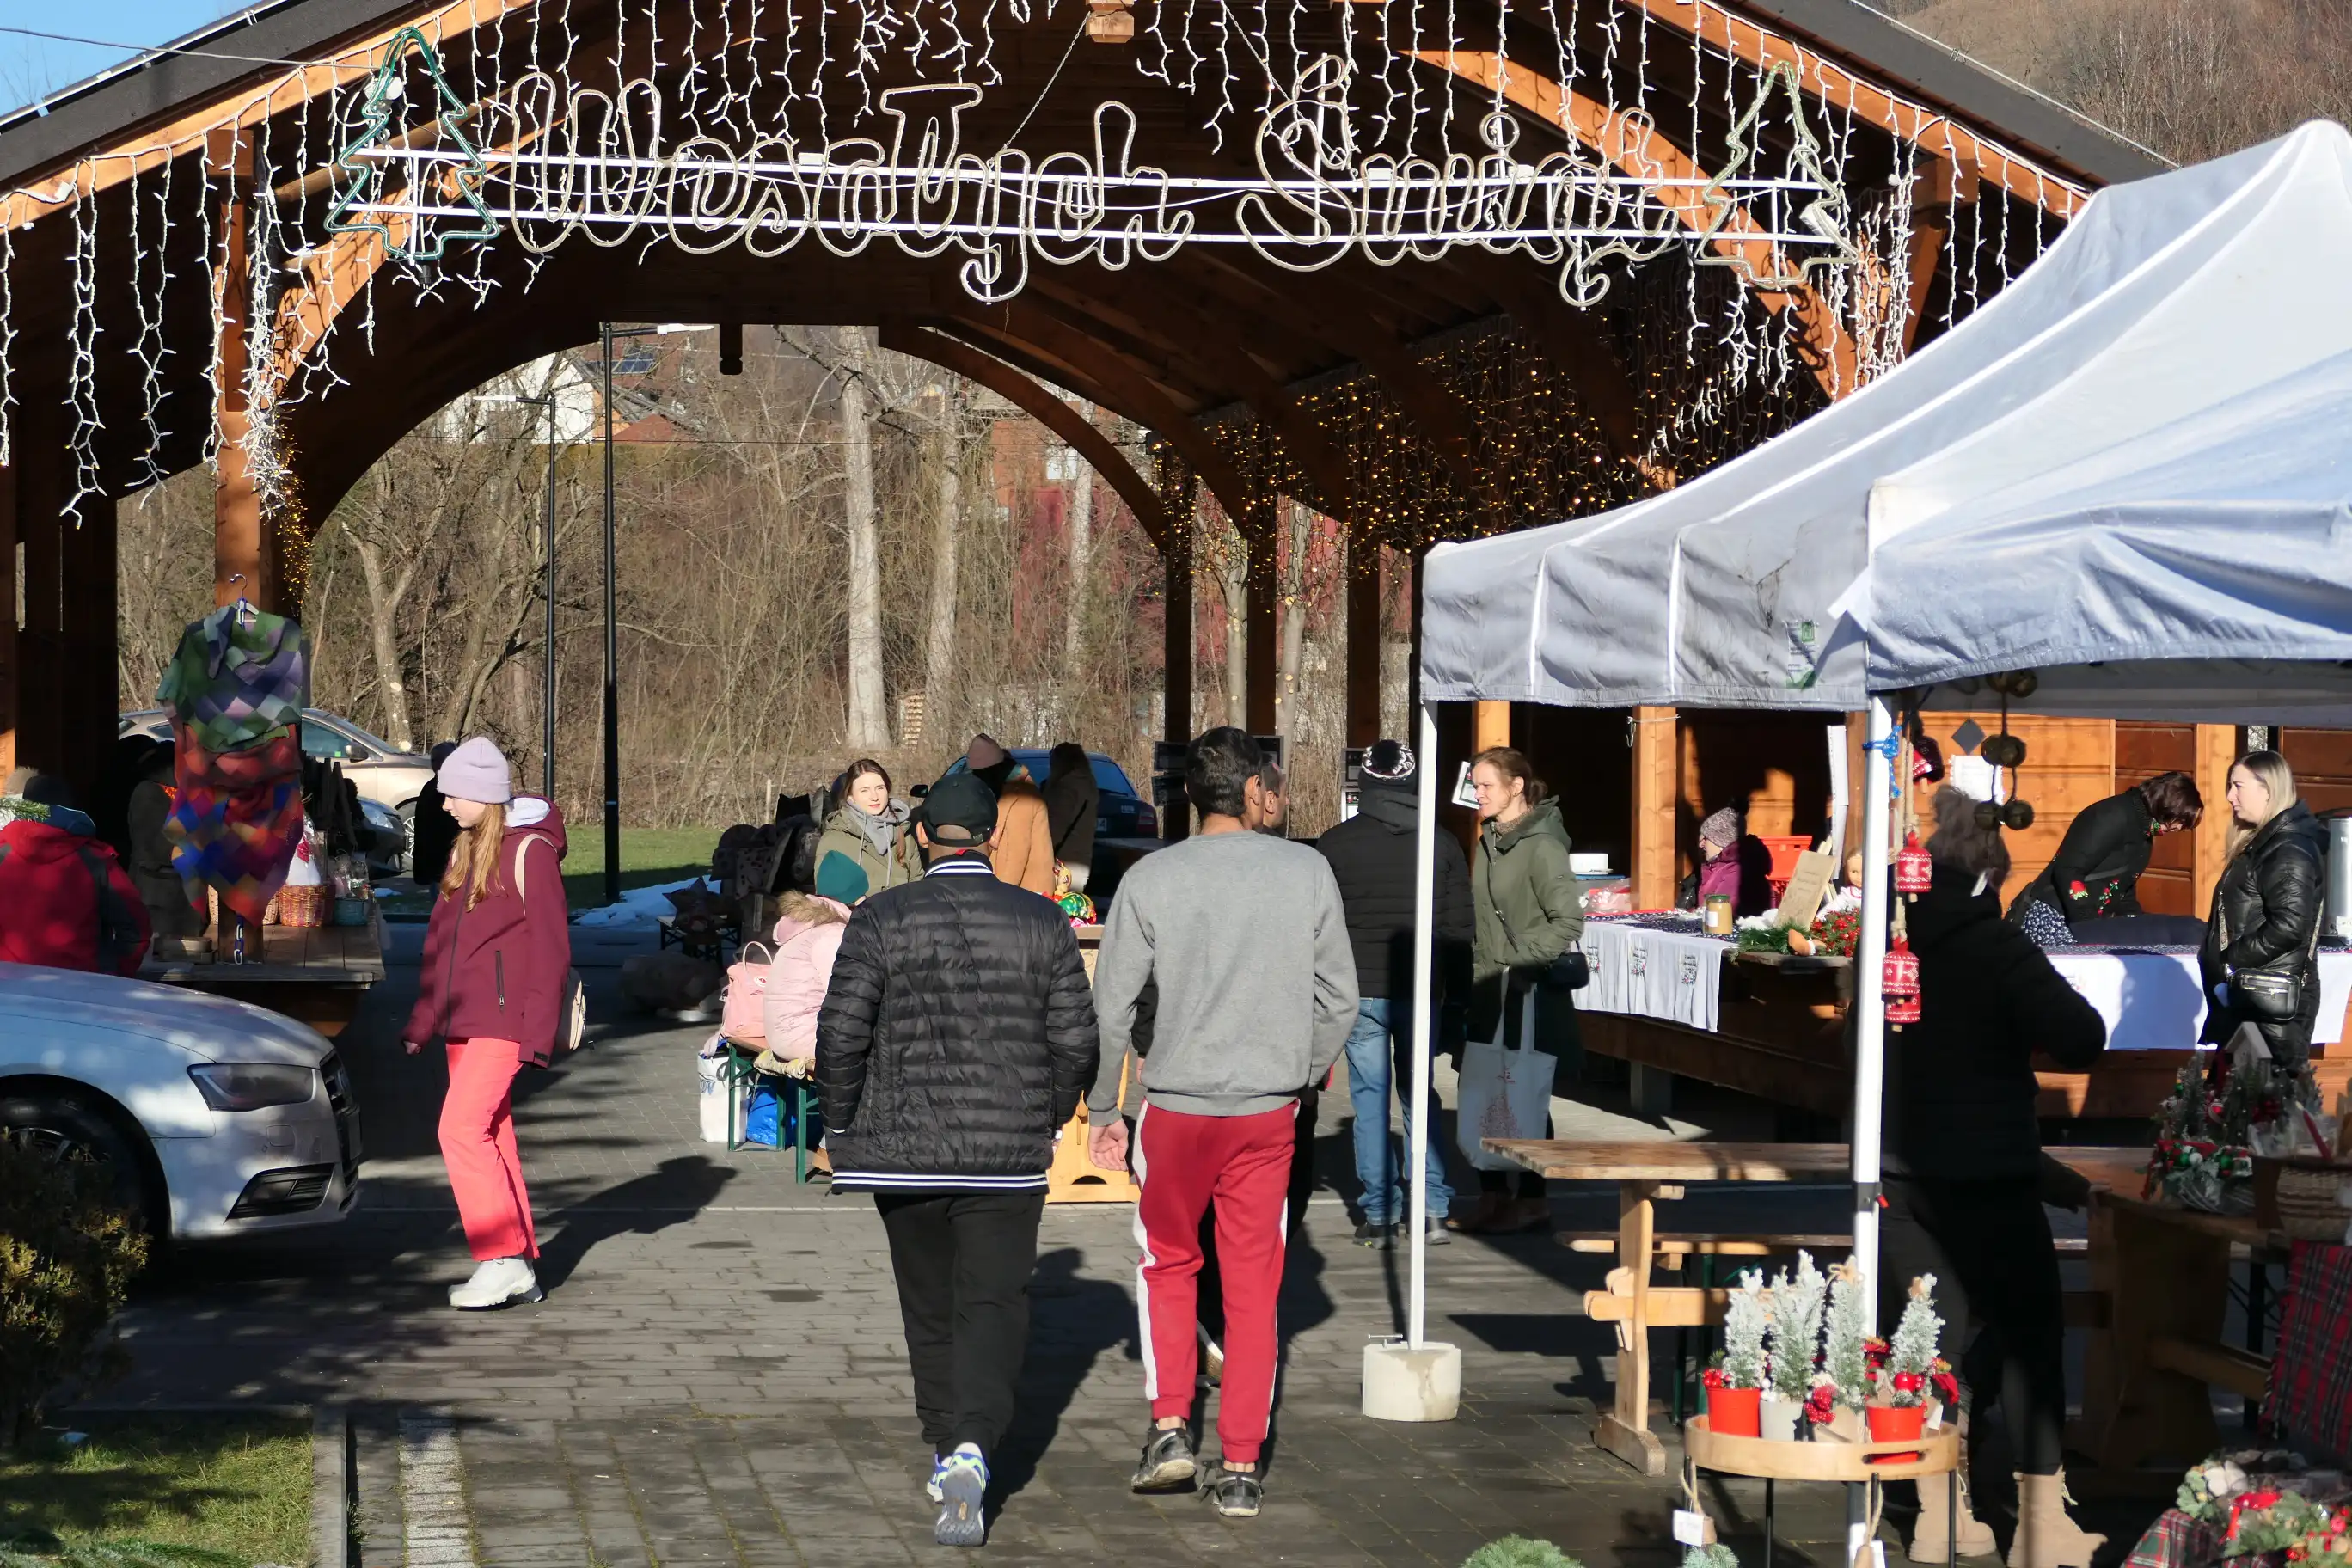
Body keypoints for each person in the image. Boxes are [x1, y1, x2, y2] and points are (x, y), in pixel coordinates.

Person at [816, 769, 1099, 1548]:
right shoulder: (1043, 922)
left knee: (929, 1303)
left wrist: (841, 1128)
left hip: (900, 1154)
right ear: (994, 837)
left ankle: (946, 1443)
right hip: (1004, 1156)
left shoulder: (880, 918)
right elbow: (1078, 1041)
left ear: (918, 837)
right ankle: (975, 1441)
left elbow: (841, 1033)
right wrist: (1041, 1116)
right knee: (995, 1303)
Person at [1086, 727, 1356, 1520]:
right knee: (1252, 1287)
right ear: (1249, 790)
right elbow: (1339, 998)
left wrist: (1106, 1107)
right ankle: (1240, 1464)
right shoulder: (1306, 870)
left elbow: (1112, 1009)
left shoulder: (1151, 877)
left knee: (1168, 1267)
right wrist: (1300, 1073)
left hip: (1173, 1106)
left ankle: (1170, 1427)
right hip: (1266, 1110)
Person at [1881, 786, 2107, 1568]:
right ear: (1990, 876)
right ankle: (2042, 1528)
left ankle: (1938, 1519)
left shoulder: (1891, 954)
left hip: (1902, 1176)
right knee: (2029, 1343)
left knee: (1926, 1343)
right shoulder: (1997, 947)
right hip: (1989, 1178)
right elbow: (2082, 1036)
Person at [402, 738, 571, 1313]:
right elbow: (439, 943)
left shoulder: (532, 853)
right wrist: (424, 1019)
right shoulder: (463, 849)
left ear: (482, 793)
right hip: (461, 1020)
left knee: (459, 1131)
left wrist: (537, 1036)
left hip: (504, 1021)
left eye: (452, 792)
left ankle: (498, 1259)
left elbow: (551, 951)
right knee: (490, 1135)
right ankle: (517, 1263)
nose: (445, 802)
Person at [1314, 738, 1472, 1246]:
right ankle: (1431, 1209)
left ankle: (1380, 1214)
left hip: (1357, 990)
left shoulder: (1334, 845)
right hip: (1422, 989)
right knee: (1417, 1098)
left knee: (1369, 1101)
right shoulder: (1441, 843)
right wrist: (1460, 1000)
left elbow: (1318, 928)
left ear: (1365, 784)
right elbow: (1458, 930)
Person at [1455, 746, 1583, 1235]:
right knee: (1487, 1090)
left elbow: (1569, 919)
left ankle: (1532, 1199)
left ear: (1516, 787)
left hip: (1527, 991)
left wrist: (1518, 960)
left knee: (1525, 1094)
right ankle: (1493, 1196)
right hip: (1490, 990)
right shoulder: (1489, 837)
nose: (1478, 793)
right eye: (1476, 785)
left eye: (1487, 785)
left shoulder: (1542, 845)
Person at [2200, 750, 2328, 1072]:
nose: (2230, 796)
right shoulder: (2266, 844)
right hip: (2252, 1001)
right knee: (2234, 1110)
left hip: (2270, 1005)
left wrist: (2230, 960)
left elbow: (2289, 927)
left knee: (2263, 1111)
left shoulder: (2288, 850)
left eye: (2238, 786)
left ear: (2268, 789)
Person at [2008, 770, 2202, 943]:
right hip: (2056, 919)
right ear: (2167, 805)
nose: (2179, 828)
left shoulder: (2143, 835)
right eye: (2180, 821)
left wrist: (2134, 925)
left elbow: (2123, 887)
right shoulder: (2112, 815)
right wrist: (2087, 925)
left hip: (2085, 926)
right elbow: (2068, 869)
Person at [0, 772, 150, 975]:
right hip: (82, 990)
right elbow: (136, 930)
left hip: (11, 989)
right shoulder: (96, 860)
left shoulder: (3, 855)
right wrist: (113, 976)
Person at [124, 742, 204, 942]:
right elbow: (159, 847)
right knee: (162, 958)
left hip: (181, 894)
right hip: (157, 894)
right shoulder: (149, 793)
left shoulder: (181, 795)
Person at [812, 758, 920, 903]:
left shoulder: (904, 835)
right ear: (851, 797)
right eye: (864, 790)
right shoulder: (835, 838)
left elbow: (917, 885)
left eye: (880, 788)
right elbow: (826, 894)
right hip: (855, 923)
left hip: (901, 922)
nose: (874, 797)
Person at [965, 734, 1055, 897]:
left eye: (979, 774)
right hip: (1024, 897)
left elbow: (1011, 859)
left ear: (991, 770)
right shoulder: (1010, 792)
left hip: (1028, 899)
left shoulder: (1019, 799)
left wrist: (995, 899)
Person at [1040, 742, 1099, 891]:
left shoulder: (1065, 788)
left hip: (1062, 863)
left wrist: (1038, 852)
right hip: (1081, 860)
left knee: (1055, 910)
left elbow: (1055, 828)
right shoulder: (1088, 783)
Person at [408, 741, 461, 886]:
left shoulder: (463, 788)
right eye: (434, 760)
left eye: (442, 760)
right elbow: (421, 831)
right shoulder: (430, 789)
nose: (437, 764)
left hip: (456, 861)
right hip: (434, 863)